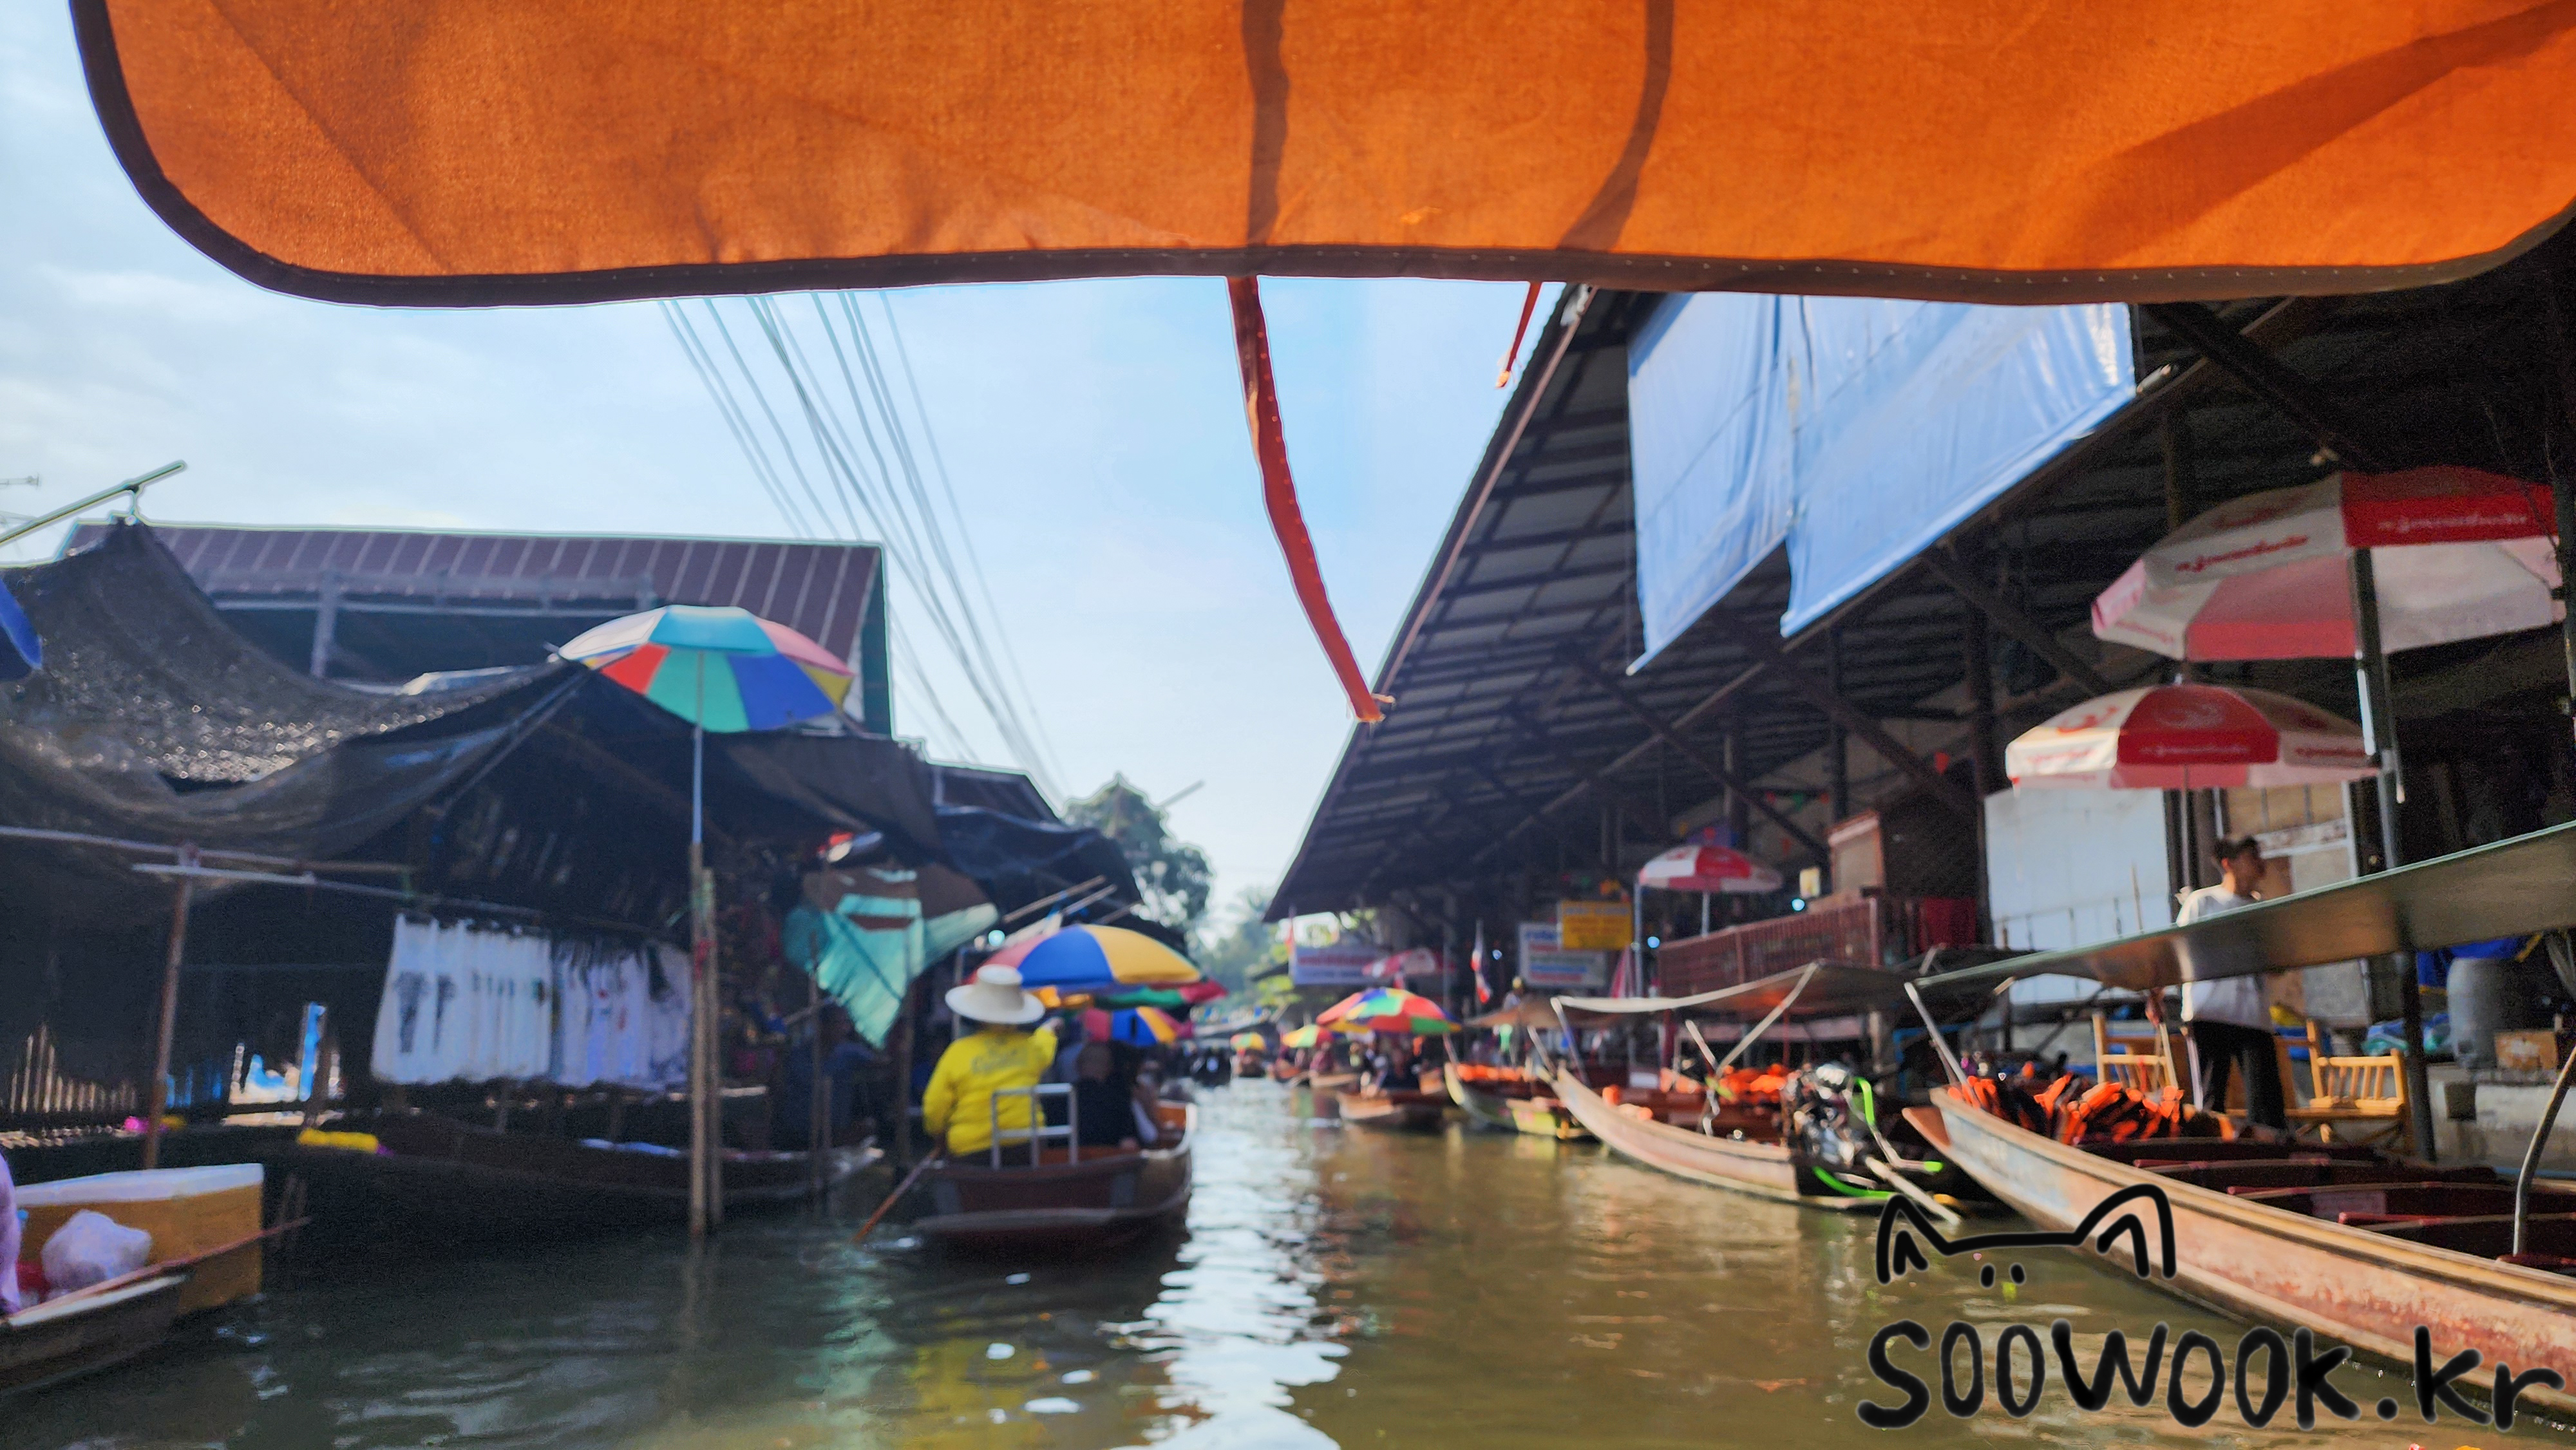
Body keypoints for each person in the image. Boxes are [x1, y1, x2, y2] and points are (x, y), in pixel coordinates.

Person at [2176, 836, 2286, 1129]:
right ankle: (2215, 1154)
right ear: (2229, 864)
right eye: (2252, 857)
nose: (2260, 863)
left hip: (2253, 1015)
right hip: (2210, 1013)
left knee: (2268, 1106)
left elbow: (2276, 966)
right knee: (2212, 1103)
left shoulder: (2262, 909)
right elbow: (2177, 951)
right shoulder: (2203, 903)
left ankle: (2271, 1154)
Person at [921, 965, 1058, 1157]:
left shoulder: (959, 1052)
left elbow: (935, 1106)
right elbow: (1045, 1049)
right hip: (1027, 1144)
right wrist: (1048, 1031)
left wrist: (936, 1132)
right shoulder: (1031, 1047)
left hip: (971, 1149)